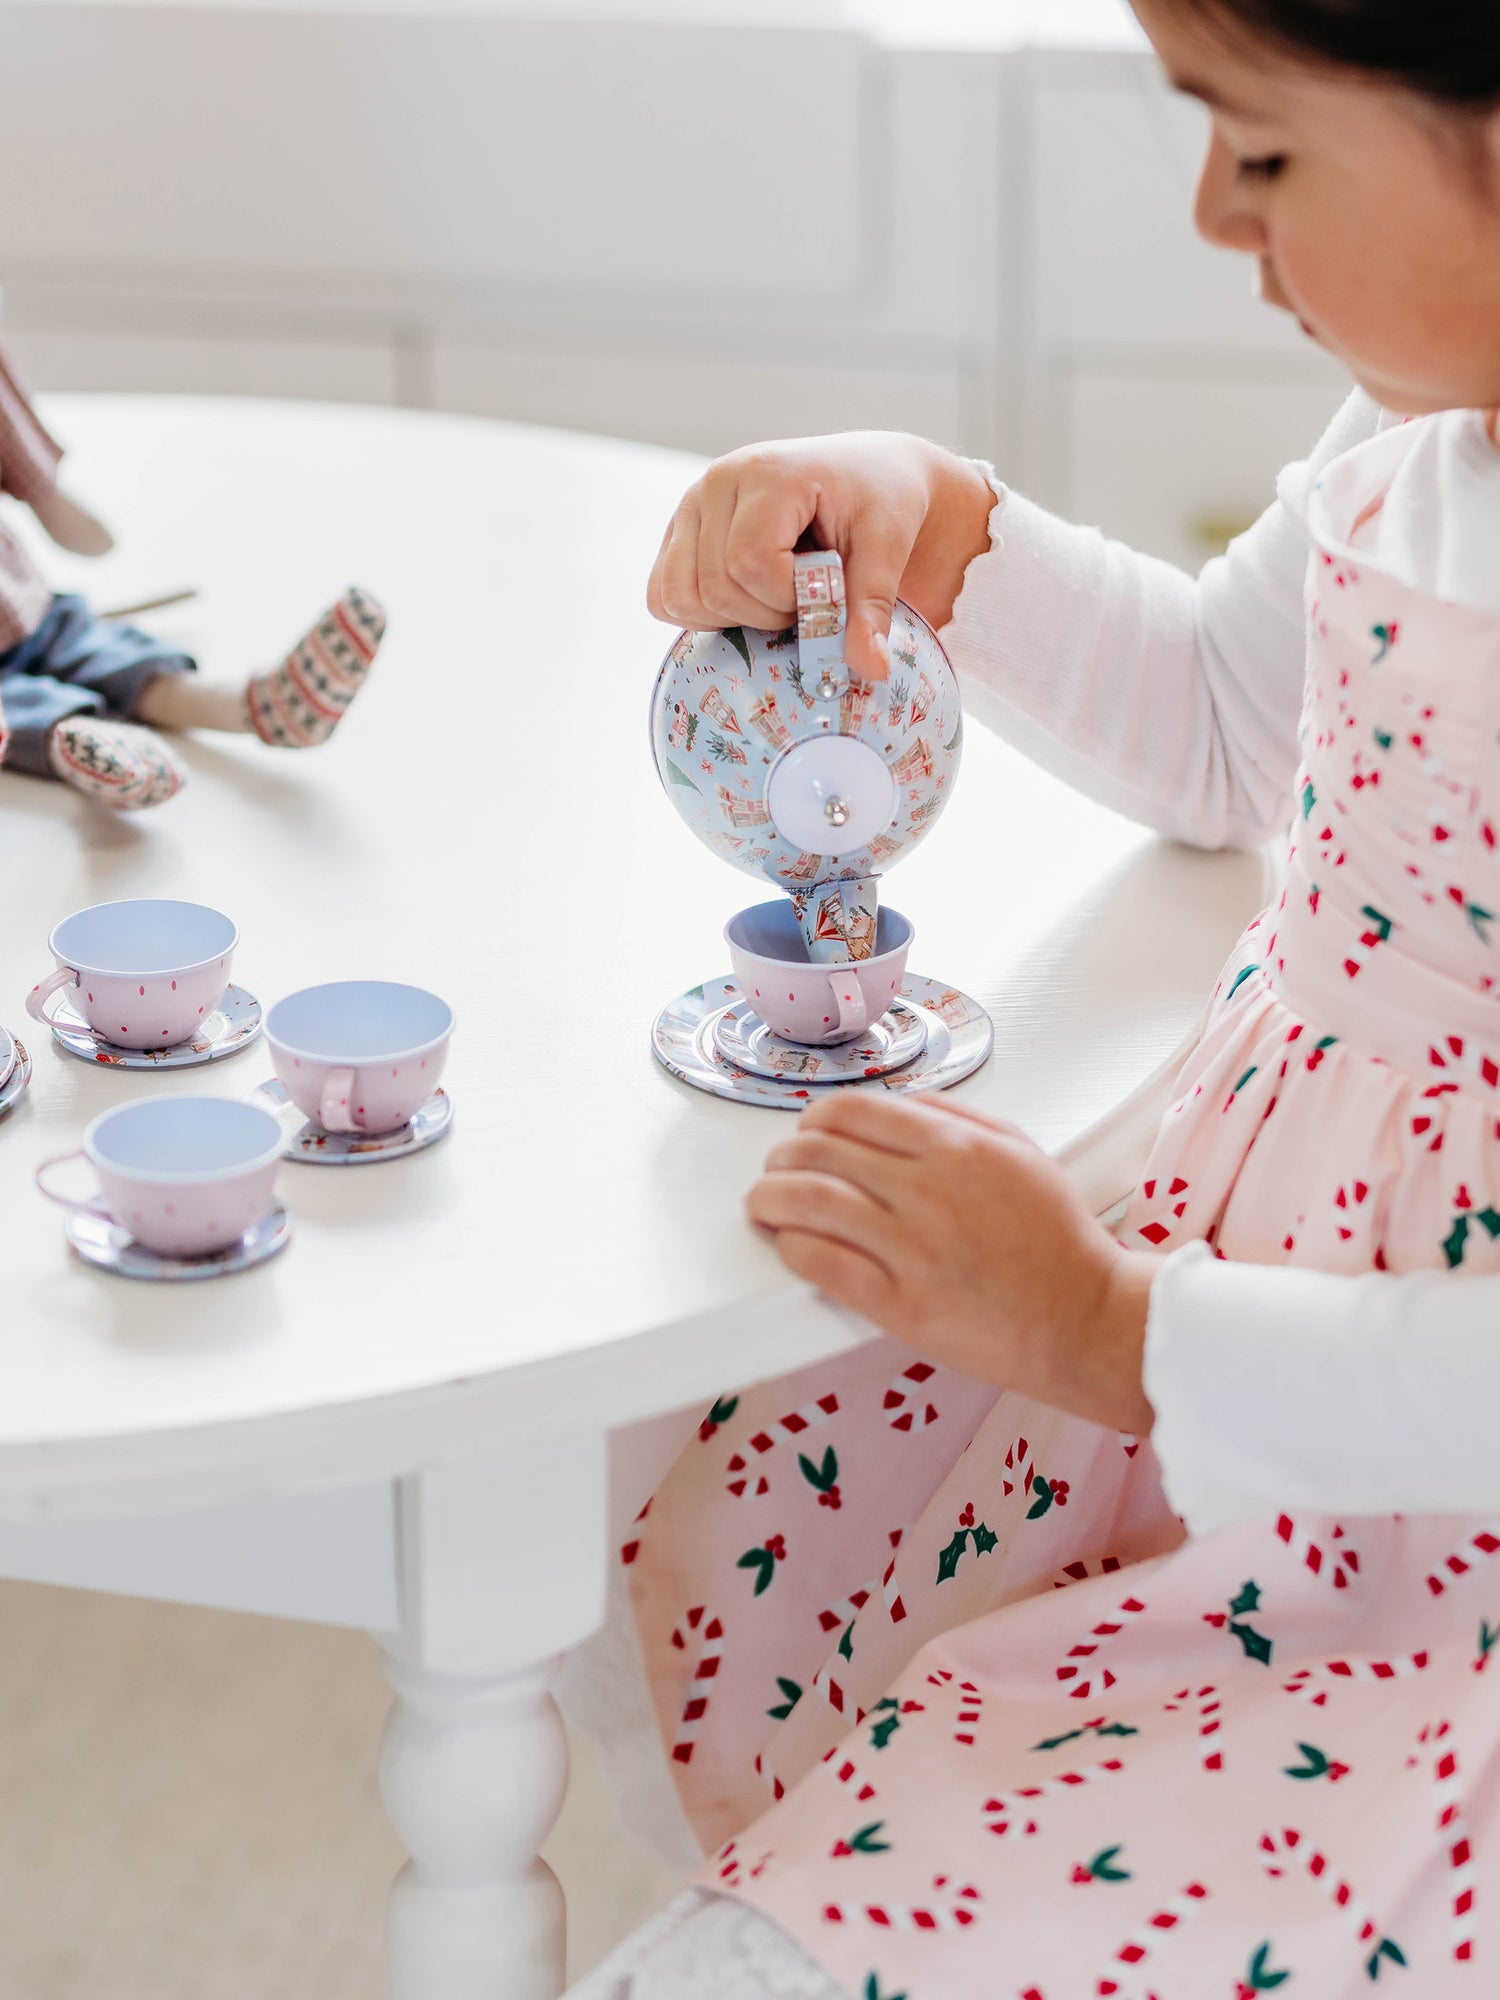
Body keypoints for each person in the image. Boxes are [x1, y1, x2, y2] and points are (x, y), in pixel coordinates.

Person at [569, 2, 1500, 1993]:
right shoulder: (1429, 423)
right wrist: (936, 520)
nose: (1212, 213)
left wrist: (1108, 1328)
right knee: (678, 1434)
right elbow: (1237, 728)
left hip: (1420, 1563)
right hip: (1215, 1399)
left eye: (1260, 150)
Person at [0, 342, 384, 811]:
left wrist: (53, 503)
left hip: (23, 603)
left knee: (99, 646)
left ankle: (258, 705)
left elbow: (26, 464)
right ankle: (82, 744)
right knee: (16, 710)